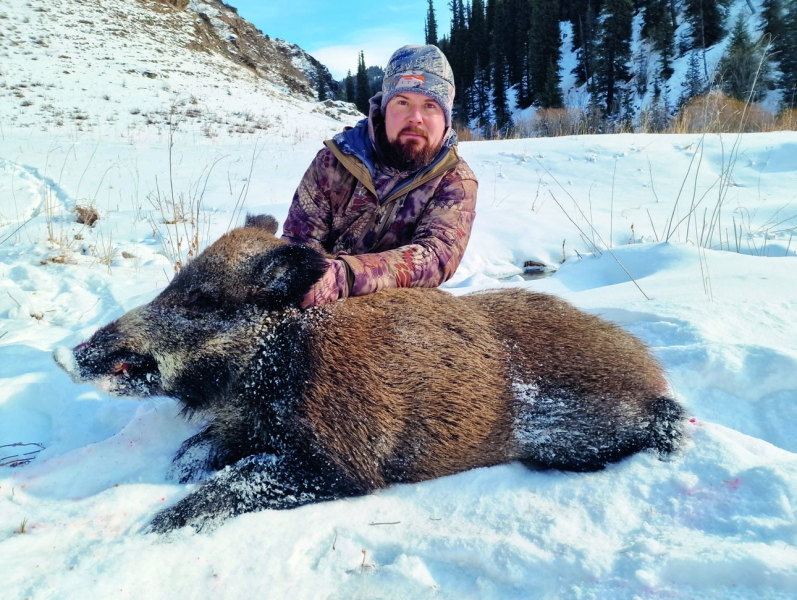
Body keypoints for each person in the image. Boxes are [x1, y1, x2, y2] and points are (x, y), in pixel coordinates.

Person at [282, 44, 478, 307]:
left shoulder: (455, 180)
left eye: (430, 105)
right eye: (402, 102)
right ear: (384, 110)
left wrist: (344, 277)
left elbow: (437, 256)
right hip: (320, 305)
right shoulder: (333, 161)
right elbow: (299, 243)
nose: (415, 118)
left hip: (402, 313)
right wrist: (306, 281)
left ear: (446, 119)